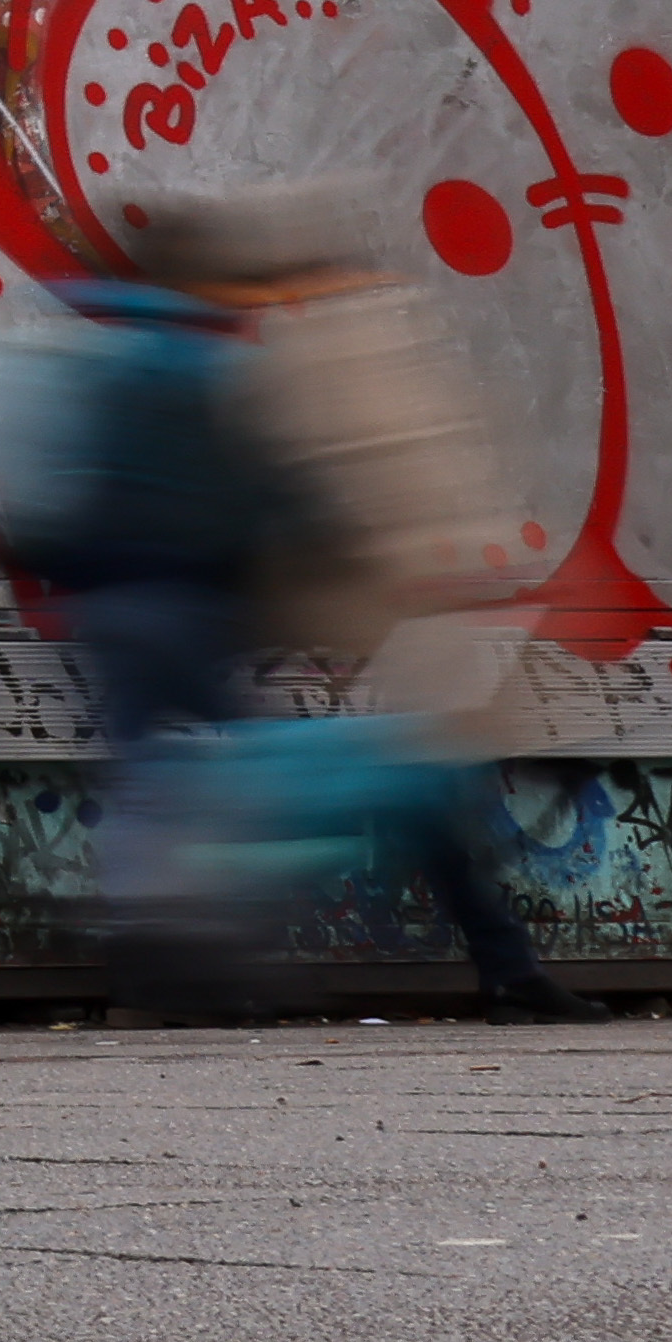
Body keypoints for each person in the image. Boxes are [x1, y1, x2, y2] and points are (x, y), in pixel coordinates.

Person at [227, 200, 587, 1020]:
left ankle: (506, 967)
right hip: (395, 606)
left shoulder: (326, 340)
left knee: (431, 791)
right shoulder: (342, 343)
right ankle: (215, 935)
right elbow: (393, 478)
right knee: (416, 790)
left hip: (403, 605)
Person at [0, 212, 277, 1020]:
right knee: (246, 763)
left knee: (142, 769)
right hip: (192, 597)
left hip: (106, 601)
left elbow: (47, 483)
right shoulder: (206, 364)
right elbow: (248, 490)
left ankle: (146, 948)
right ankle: (221, 946)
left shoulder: (87, 358)